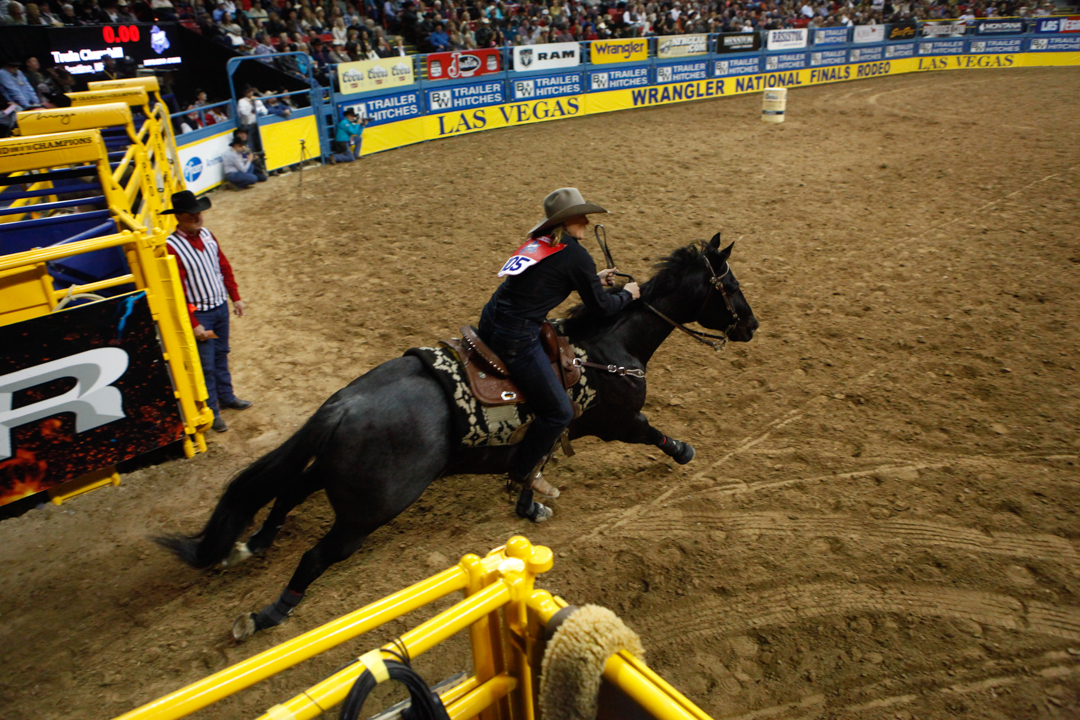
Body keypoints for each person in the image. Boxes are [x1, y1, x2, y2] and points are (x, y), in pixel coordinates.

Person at [477, 188, 641, 522]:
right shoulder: (576, 255)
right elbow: (602, 308)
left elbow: (546, 280)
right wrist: (627, 295)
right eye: (581, 215)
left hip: (490, 321)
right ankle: (523, 471)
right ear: (568, 221)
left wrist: (592, 280)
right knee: (559, 412)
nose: (586, 220)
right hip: (516, 337)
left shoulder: (543, 243)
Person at [163, 190, 252, 433]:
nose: (197, 217)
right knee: (207, 364)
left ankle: (227, 397)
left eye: (198, 212)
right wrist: (193, 322)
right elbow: (177, 289)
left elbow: (224, 267)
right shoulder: (171, 247)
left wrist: (235, 297)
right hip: (202, 316)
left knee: (221, 354)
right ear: (179, 216)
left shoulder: (208, 236)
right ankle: (212, 411)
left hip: (220, 309)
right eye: (191, 213)